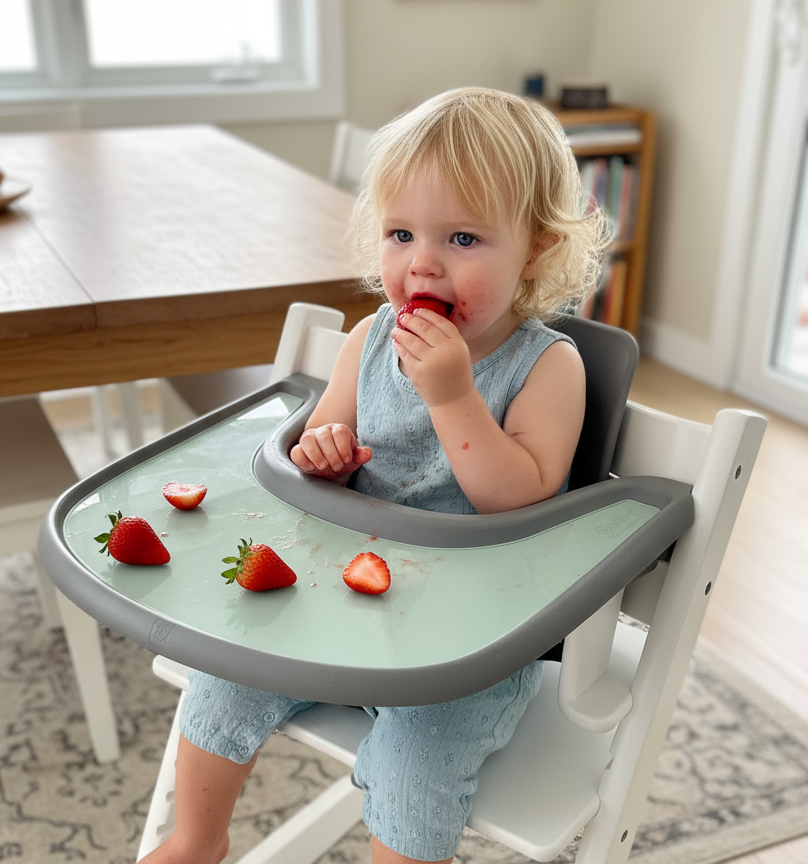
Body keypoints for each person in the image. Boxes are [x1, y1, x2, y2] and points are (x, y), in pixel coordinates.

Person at [141, 87, 608, 864]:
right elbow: (323, 434)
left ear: (536, 248)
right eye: (401, 233)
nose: (422, 262)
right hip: (342, 600)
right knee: (222, 675)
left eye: (462, 237)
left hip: (468, 641)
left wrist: (454, 397)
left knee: (417, 760)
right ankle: (196, 839)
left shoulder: (549, 367)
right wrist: (322, 452)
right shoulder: (368, 339)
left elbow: (519, 494)